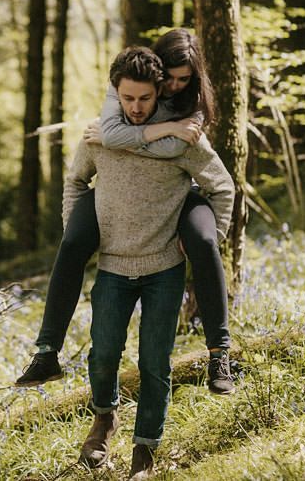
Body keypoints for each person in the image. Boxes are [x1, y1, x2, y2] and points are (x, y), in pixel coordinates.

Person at [15, 29, 235, 394]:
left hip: (180, 197)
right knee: (71, 244)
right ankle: (46, 352)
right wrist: (75, 222)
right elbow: (82, 171)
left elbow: (211, 176)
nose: (178, 86)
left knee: (203, 241)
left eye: (186, 79)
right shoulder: (118, 103)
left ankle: (219, 352)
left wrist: (220, 230)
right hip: (111, 194)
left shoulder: (189, 114)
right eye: (172, 78)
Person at [61, 47, 234, 477]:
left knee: (155, 362)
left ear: (158, 93)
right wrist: (80, 235)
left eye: (144, 99)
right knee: (103, 355)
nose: (136, 108)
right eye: (128, 99)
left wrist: (208, 240)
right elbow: (75, 182)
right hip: (114, 266)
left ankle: (145, 453)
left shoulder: (182, 140)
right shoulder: (101, 135)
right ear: (116, 94)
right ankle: (104, 421)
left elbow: (222, 187)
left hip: (163, 269)